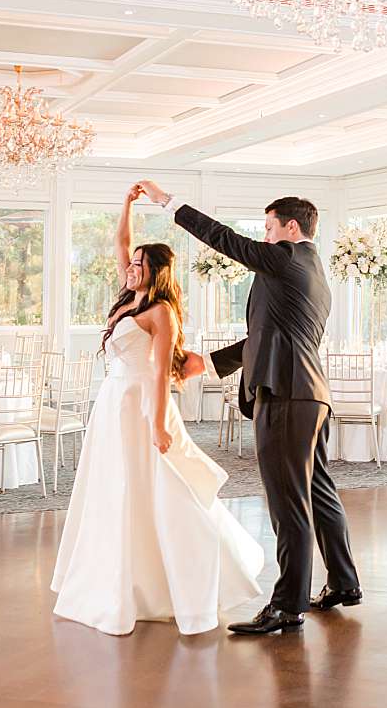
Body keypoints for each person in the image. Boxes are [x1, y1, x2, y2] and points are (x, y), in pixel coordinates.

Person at [137, 179, 362, 635]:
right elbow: (270, 334)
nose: (264, 237)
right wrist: (210, 363)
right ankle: (343, 582)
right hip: (311, 396)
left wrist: (168, 202)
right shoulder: (314, 271)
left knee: (288, 502)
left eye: (269, 228)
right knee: (318, 491)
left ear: (291, 228)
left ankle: (287, 606)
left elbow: (224, 239)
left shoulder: (286, 257)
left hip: (285, 395)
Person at [50, 184, 263, 635]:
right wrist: (125, 204)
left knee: (159, 486)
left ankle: (186, 577)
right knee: (115, 486)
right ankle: (118, 574)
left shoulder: (161, 311)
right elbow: (120, 243)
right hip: (112, 402)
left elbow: (161, 372)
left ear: (155, 272)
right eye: (130, 264)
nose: (130, 268)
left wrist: (160, 424)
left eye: (139, 265)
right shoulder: (129, 296)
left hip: (141, 403)